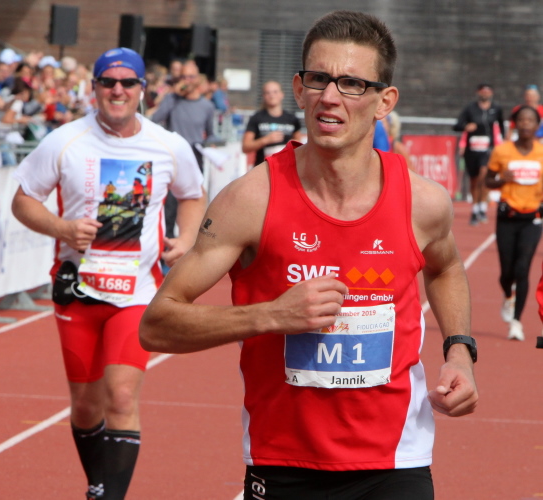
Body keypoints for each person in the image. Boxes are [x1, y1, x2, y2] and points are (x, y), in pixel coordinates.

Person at [140, 10, 479, 499]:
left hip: (395, 461)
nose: (330, 97)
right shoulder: (250, 200)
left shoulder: (422, 202)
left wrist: (460, 352)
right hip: (284, 463)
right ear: (299, 90)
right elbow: (157, 324)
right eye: (319, 79)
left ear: (385, 101)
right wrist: (271, 315)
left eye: (352, 84)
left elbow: (446, 268)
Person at [10, 47, 205, 500]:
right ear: (94, 88)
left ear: (142, 90)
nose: (118, 90)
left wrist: (188, 237)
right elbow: (22, 201)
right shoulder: (65, 141)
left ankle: (109, 496)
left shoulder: (167, 144)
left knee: (119, 397)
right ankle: (98, 484)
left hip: (137, 293)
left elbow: (193, 195)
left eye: (127, 82)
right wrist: (62, 228)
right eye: (108, 82)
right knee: (85, 407)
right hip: (78, 291)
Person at [485, 105, 543, 341]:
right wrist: (501, 179)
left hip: (533, 219)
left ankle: (516, 322)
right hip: (507, 217)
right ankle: (507, 295)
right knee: (507, 272)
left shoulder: (541, 152)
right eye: (522, 120)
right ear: (515, 124)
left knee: (523, 269)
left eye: (530, 120)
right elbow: (488, 181)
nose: (526, 123)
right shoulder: (502, 151)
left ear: (537, 125)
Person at [150, 59, 216, 243]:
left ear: (198, 78)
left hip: (195, 157)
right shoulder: (172, 99)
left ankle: (189, 243)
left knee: (193, 202)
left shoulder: (206, 106)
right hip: (172, 159)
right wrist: (173, 96)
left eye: (191, 77)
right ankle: (166, 244)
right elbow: (155, 119)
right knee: (169, 206)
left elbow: (211, 133)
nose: (187, 81)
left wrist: (210, 145)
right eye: (183, 77)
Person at [453, 83, 505, 225]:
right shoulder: (470, 108)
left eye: (488, 91)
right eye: (483, 91)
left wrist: (500, 144)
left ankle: (483, 207)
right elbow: (457, 125)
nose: (485, 94)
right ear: (478, 93)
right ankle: (475, 209)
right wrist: (466, 126)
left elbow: (501, 127)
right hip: (472, 149)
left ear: (491, 93)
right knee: (474, 180)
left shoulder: (496, 109)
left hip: (488, 149)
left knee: (484, 175)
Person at [242, 80, 302, 166]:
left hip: (285, 167)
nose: (272, 95)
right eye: (268, 93)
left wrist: (291, 144)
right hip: (263, 167)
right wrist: (266, 140)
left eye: (275, 92)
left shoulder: (292, 119)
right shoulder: (256, 118)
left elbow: (299, 143)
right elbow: (245, 147)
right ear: (263, 96)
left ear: (282, 94)